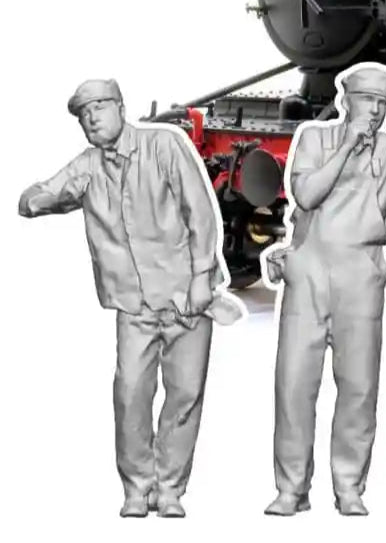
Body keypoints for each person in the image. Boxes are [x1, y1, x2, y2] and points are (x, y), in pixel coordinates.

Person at [17, 78, 243, 518]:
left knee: (185, 394)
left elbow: (199, 211)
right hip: (133, 305)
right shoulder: (88, 166)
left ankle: (170, 489)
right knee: (130, 395)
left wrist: (202, 276)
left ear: (121, 107)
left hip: (185, 298)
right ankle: (137, 488)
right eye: (84, 115)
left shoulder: (164, 146)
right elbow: (46, 193)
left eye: (99, 108)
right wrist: (34, 200)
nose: (92, 119)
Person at [262, 62, 386, 517]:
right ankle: (291, 489)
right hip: (308, 271)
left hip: (362, 274)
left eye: (383, 103)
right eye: (368, 102)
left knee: (359, 387)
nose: (376, 111)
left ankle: (349, 486)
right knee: (293, 386)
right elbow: (307, 195)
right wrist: (346, 149)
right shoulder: (314, 139)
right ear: (346, 101)